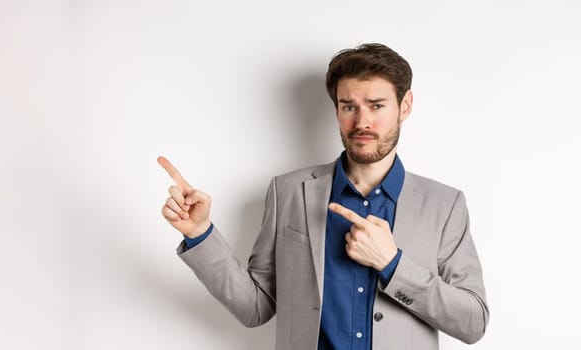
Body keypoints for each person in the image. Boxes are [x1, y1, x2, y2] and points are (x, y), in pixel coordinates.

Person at [158, 43, 488, 350]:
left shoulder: (444, 205)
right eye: (349, 106)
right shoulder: (287, 191)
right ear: (336, 110)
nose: (362, 122)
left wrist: (392, 263)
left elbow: (473, 322)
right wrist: (199, 234)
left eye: (376, 106)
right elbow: (254, 308)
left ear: (405, 106)